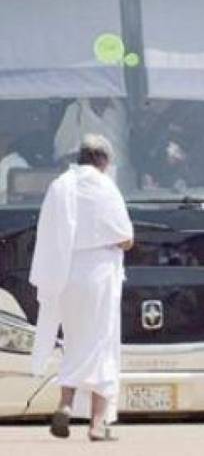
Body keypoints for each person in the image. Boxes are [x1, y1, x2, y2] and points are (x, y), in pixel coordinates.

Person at [29, 134, 134, 441]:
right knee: (102, 343)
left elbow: (47, 233)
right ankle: (97, 424)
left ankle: (65, 404)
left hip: (65, 275)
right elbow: (126, 238)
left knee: (74, 342)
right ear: (103, 160)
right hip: (99, 274)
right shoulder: (106, 187)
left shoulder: (60, 186)